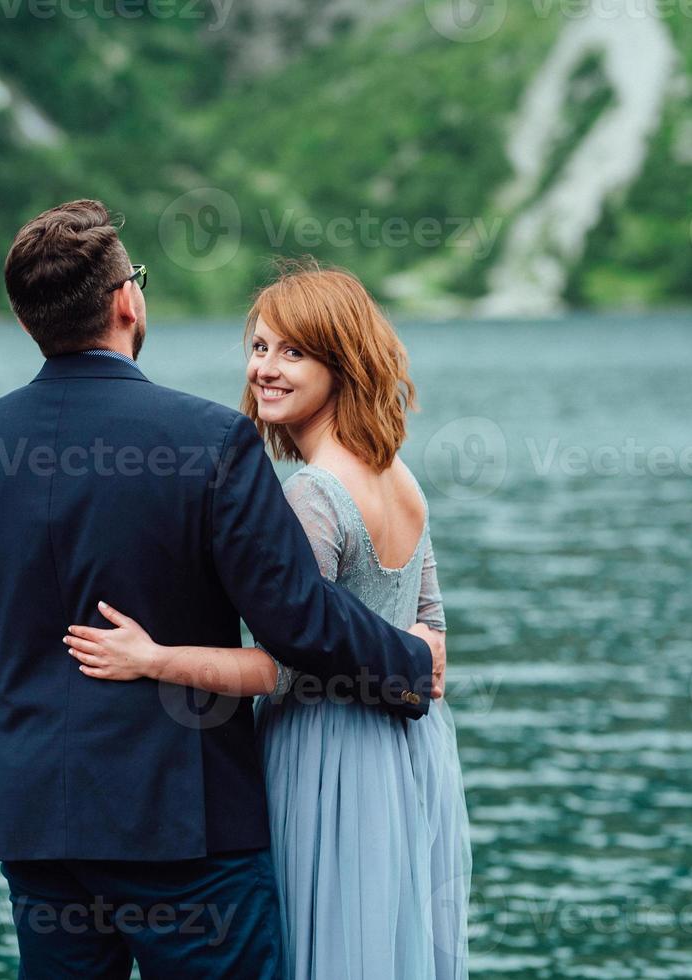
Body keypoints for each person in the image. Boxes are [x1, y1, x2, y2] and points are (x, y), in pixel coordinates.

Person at [0, 201, 440, 979]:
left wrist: (11, 777)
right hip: (188, 830)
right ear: (127, 299)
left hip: (38, 831)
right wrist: (407, 663)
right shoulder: (208, 439)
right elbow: (294, 617)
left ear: (31, 320)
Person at [67, 262, 472, 978]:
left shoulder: (314, 493)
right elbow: (429, 624)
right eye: (259, 348)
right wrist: (422, 656)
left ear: (341, 364)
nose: (266, 369)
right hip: (406, 752)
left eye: (293, 352)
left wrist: (152, 658)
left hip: (325, 753)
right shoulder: (397, 473)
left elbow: (283, 663)